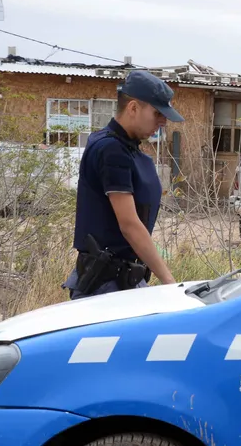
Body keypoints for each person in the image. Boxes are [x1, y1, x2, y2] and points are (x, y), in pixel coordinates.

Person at [62, 70, 185, 300]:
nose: (163, 122)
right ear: (133, 108)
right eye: (157, 113)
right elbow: (129, 224)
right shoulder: (111, 150)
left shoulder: (125, 148)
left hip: (123, 281)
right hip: (105, 287)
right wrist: (169, 282)